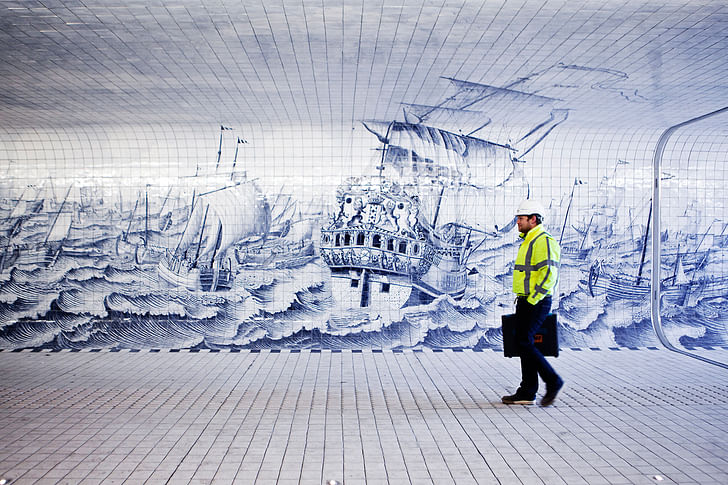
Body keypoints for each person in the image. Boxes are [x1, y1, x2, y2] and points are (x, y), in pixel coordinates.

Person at [502, 199, 564, 407]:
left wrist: (533, 299)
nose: (518, 222)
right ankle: (527, 392)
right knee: (522, 343)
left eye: (521, 218)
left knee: (524, 342)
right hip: (526, 300)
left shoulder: (544, 241)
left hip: (536, 301)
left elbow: (549, 275)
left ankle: (552, 381)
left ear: (533, 219)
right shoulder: (529, 240)